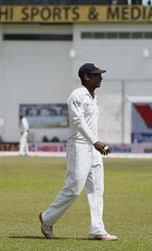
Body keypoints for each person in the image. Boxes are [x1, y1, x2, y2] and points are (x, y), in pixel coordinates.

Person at [39, 63, 117, 241]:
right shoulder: (77, 96)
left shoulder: (93, 96)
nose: (101, 78)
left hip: (93, 147)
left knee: (97, 189)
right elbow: (78, 122)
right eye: (97, 75)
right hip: (79, 146)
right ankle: (47, 218)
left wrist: (96, 143)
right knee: (74, 189)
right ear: (86, 77)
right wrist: (95, 141)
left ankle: (97, 229)